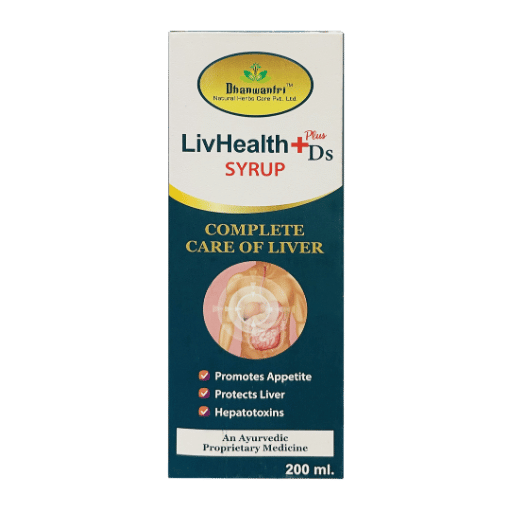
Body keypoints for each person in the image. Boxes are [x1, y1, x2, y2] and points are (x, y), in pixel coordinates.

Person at [219, 262, 307, 359]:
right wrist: (220, 359)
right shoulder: (238, 280)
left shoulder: (291, 280)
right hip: (248, 359)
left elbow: (302, 323)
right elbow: (227, 324)